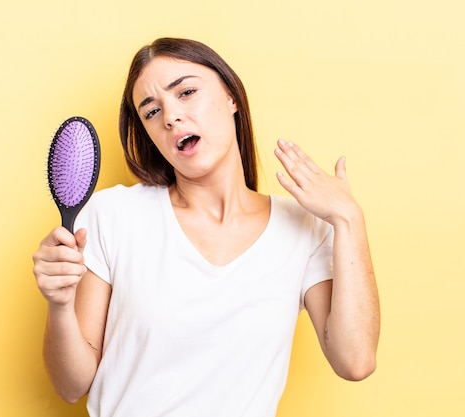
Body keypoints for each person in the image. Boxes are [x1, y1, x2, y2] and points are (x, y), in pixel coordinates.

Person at [32, 37, 380, 417]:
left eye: (187, 92)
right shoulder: (113, 215)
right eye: (151, 112)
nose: (170, 116)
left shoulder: (304, 229)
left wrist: (349, 219)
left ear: (231, 97)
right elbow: (70, 386)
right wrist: (60, 304)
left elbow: (355, 362)